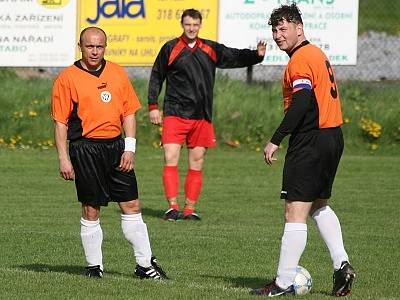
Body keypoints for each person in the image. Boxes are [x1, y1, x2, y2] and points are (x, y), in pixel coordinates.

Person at [250, 4, 355, 297]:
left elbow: (302, 101)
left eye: (284, 28)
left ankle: (282, 283)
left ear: (300, 28)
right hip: (333, 137)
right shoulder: (317, 53)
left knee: (294, 212)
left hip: (311, 140)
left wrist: (276, 138)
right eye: (275, 29)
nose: (278, 35)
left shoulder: (300, 60)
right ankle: (341, 264)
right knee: (318, 205)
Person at [51, 26, 167, 280]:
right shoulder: (67, 78)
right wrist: (63, 158)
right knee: (91, 208)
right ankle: (94, 267)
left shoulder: (117, 73)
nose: (94, 51)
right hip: (85, 149)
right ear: (80, 46)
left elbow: (129, 113)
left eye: (99, 46)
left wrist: (130, 148)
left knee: (132, 205)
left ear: (105, 46)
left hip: (116, 147)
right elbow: (60, 122)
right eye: (89, 46)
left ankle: (145, 265)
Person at [148, 8, 266, 221]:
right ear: (182, 25)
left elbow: (234, 56)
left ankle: (189, 210)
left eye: (195, 24)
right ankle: (172, 207)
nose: (191, 28)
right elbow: (157, 76)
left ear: (200, 25)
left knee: (197, 161)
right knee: (170, 158)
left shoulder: (210, 48)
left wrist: (255, 56)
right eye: (187, 24)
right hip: (175, 113)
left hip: (202, 115)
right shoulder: (170, 48)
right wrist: (153, 106)